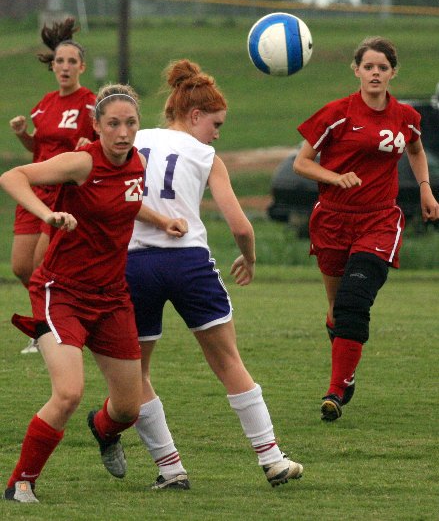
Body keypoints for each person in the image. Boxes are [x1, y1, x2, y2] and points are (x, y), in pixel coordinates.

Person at [0, 84, 187, 504]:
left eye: (131, 123)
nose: (123, 132)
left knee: (128, 408)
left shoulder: (137, 162)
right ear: (97, 127)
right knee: (68, 392)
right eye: (113, 124)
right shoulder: (82, 162)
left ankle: (103, 429)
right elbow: (12, 177)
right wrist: (48, 214)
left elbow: (124, 199)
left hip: (112, 297)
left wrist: (162, 221)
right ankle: (20, 483)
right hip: (62, 292)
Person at [126, 59, 303, 489]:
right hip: (187, 262)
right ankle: (272, 460)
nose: (217, 134)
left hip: (135, 264)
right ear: (194, 115)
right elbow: (241, 226)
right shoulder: (206, 155)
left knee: (137, 374)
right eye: (216, 124)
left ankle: (171, 469)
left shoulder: (133, 139)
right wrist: (250, 258)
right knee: (228, 362)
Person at [293, 36, 439, 422]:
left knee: (354, 301)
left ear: (393, 73)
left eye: (382, 67)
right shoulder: (336, 113)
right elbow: (301, 163)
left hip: (379, 220)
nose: (375, 73)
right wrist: (334, 177)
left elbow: (415, 149)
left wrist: (425, 188)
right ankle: (345, 356)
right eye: (369, 66)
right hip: (332, 219)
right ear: (356, 70)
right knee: (336, 310)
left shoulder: (406, 117)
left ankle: (336, 390)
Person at [9, 18, 95, 354]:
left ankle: (46, 329)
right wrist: (23, 135)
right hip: (34, 191)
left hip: (63, 194)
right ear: (53, 65)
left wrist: (90, 145)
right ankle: (53, 320)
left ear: (82, 67)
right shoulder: (44, 104)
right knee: (21, 266)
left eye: (72, 61)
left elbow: (105, 147)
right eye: (60, 61)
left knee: (42, 266)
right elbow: (39, 150)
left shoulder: (90, 104)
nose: (65, 66)